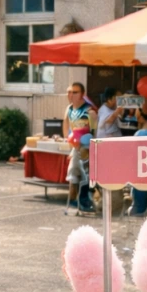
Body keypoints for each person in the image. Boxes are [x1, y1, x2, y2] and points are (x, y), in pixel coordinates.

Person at [62, 82, 97, 213]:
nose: (71, 95)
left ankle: (82, 201)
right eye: (69, 92)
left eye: (75, 92)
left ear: (82, 94)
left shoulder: (89, 111)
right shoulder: (70, 109)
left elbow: (94, 131)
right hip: (75, 146)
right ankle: (75, 201)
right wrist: (69, 144)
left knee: (82, 174)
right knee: (74, 173)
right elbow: (66, 127)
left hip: (86, 147)